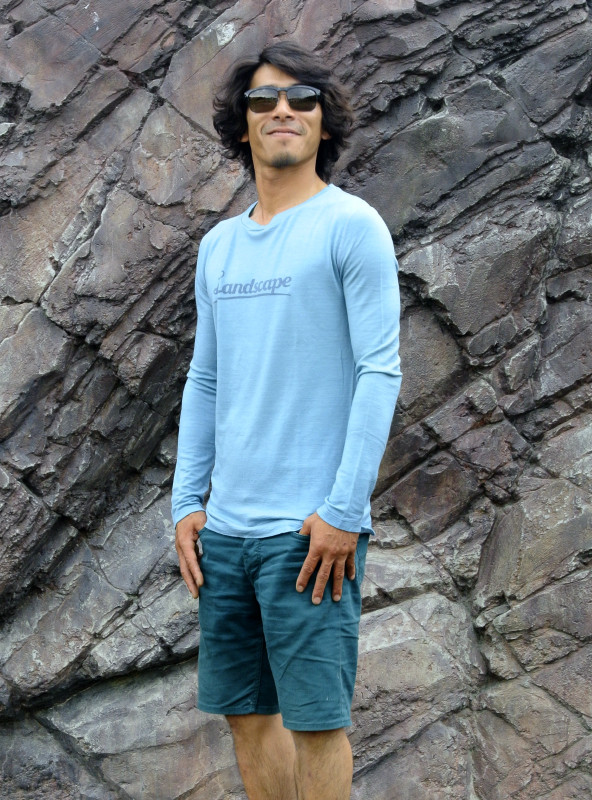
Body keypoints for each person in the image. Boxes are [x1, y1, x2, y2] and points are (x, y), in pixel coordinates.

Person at [172, 41, 402, 800]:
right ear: (241, 123)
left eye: (303, 99)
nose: (283, 111)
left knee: (316, 722)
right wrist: (187, 502)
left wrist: (344, 511)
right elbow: (205, 378)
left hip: (310, 533)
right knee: (245, 716)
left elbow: (379, 372)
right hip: (225, 533)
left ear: (323, 122)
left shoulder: (351, 226)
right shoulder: (218, 246)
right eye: (263, 100)